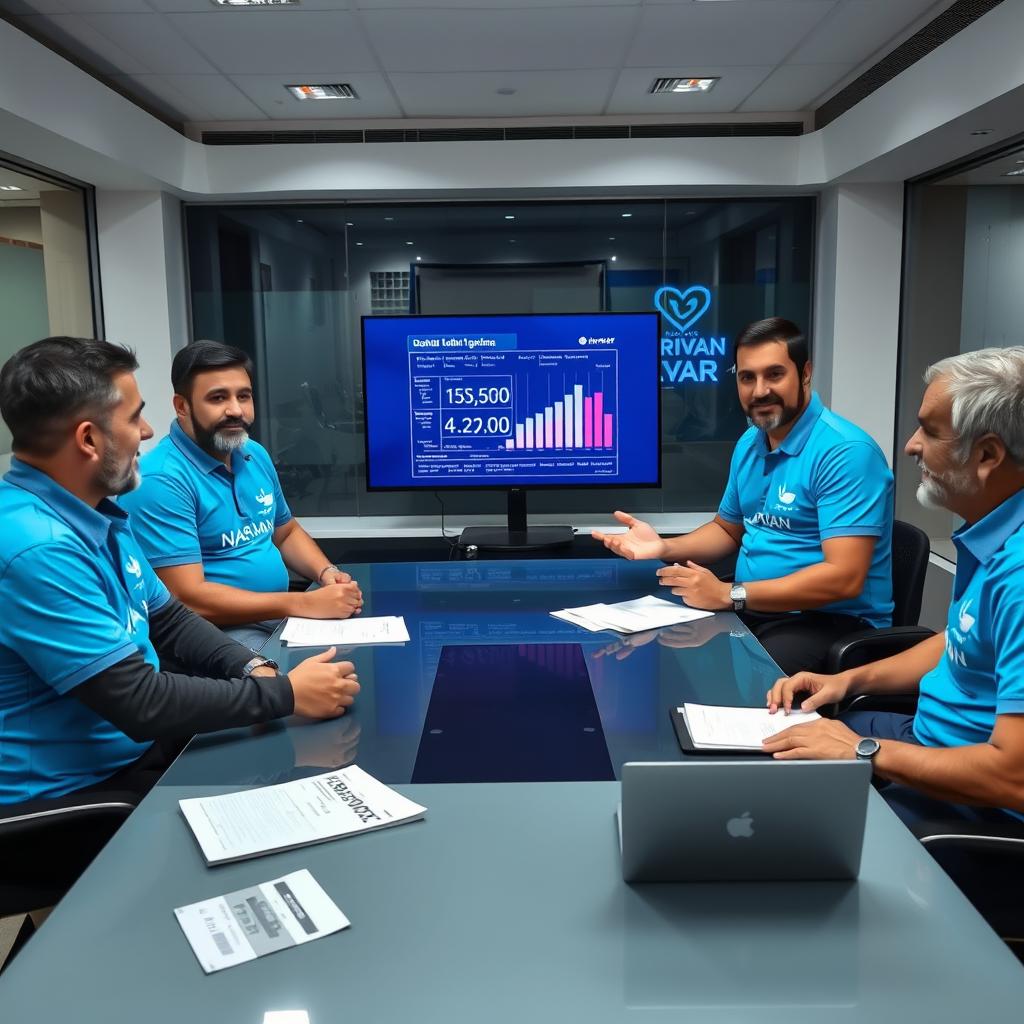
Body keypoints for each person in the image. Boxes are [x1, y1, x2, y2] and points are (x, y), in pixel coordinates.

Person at [0, 336, 361, 808]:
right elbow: (139, 700)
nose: (147, 432)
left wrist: (254, 667)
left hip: (140, 753)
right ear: (88, 439)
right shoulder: (38, 547)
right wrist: (286, 695)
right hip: (78, 797)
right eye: (133, 417)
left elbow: (168, 619)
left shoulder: (95, 510)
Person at [763, 347, 1024, 921]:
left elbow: (1013, 777)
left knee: (781, 862)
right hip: (925, 737)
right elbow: (960, 642)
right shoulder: (993, 531)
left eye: (929, 431)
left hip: (973, 818)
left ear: (986, 455)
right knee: (773, 752)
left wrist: (862, 750)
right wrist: (848, 680)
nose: (909, 445)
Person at [593, 317, 894, 675]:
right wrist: (663, 547)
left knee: (757, 694)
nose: (759, 391)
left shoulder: (845, 452)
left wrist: (730, 594)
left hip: (831, 622)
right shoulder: (750, 444)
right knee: (655, 650)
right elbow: (728, 530)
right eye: (747, 377)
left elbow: (844, 577)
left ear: (806, 372)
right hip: (755, 607)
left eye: (775, 375)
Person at [119, 340, 362, 651]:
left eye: (243, 396)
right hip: (214, 633)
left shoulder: (252, 454)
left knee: (357, 653)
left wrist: (327, 573)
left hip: (273, 615)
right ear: (182, 406)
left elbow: (285, 532)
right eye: (218, 398)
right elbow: (187, 599)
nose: (235, 410)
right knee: (313, 681)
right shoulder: (160, 480)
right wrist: (302, 604)